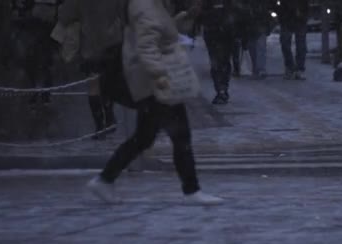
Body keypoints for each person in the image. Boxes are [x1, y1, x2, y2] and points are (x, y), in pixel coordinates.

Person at [87, 0, 224, 205]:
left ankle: (105, 179)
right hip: (155, 83)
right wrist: (159, 74)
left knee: (145, 137)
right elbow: (147, 46)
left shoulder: (152, 5)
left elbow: (162, 32)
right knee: (180, 135)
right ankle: (191, 190)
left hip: (152, 82)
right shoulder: (145, 5)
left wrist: (184, 17)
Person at [57, 0, 121, 139]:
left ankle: (99, 126)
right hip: (112, 42)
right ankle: (109, 117)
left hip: (91, 43)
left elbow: (65, 15)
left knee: (94, 84)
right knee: (108, 80)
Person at [199, 0, 238, 105]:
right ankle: (221, 90)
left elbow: (236, 13)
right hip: (215, 35)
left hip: (224, 35)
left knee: (222, 63)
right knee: (218, 64)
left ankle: (222, 89)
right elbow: (201, 14)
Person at [276, 0, 309, 80]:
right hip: (288, 18)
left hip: (298, 18)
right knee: (286, 44)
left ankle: (298, 68)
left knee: (300, 45)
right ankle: (291, 67)